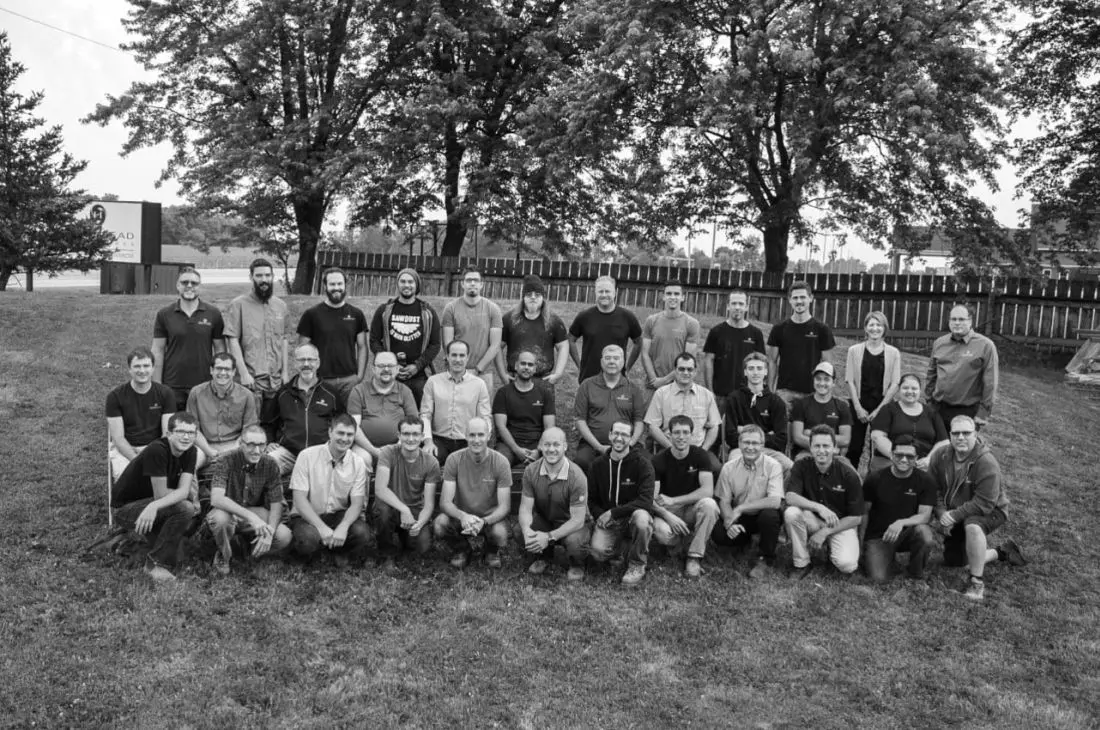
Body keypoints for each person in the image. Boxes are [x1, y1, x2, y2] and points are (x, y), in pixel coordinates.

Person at [928, 415, 1025, 601]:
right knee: (956, 561)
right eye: (956, 433)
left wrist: (953, 516)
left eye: (966, 433)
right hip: (955, 511)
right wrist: (942, 514)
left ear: (975, 434)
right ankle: (1002, 552)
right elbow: (933, 489)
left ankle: (976, 583)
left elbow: (984, 503)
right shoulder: (940, 456)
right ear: (950, 435)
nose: (961, 437)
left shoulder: (986, 462)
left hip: (990, 511)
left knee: (973, 526)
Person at [110, 411, 199, 582]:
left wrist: (154, 506)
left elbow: (184, 490)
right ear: (169, 434)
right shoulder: (157, 450)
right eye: (180, 432)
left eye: (191, 433)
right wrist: (154, 505)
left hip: (152, 505)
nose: (186, 437)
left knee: (180, 554)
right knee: (185, 508)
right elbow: (161, 495)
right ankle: (154, 564)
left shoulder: (191, 451)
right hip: (127, 508)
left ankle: (129, 541)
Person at [205, 424, 292, 575]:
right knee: (220, 519)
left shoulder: (270, 464)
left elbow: (276, 502)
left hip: (255, 513)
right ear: (241, 443)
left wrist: (269, 532)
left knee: (284, 535)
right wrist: (251, 517)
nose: (256, 450)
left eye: (261, 445)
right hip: (228, 512)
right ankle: (223, 555)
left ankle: (250, 554)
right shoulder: (226, 459)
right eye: (251, 445)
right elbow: (216, 499)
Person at [287, 414, 373, 564]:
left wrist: (343, 527)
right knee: (308, 539)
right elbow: (299, 500)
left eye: (350, 435)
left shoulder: (358, 462)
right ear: (330, 432)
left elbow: (357, 503)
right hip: (308, 515)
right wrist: (321, 527)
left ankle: (336, 551)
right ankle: (316, 553)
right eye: (340, 433)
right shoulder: (306, 456)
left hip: (338, 515)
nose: (345, 439)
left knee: (362, 533)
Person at [783, 425, 863, 578]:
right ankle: (802, 563)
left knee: (847, 565)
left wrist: (826, 532)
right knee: (792, 513)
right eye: (816, 446)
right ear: (810, 448)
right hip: (812, 519)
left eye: (826, 446)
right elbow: (790, 497)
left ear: (835, 449)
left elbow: (856, 518)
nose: (821, 450)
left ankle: (832, 553)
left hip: (840, 524)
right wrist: (819, 507)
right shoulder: (801, 465)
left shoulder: (849, 474)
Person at [434, 417, 513, 569]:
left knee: (500, 533)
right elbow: (445, 502)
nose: (476, 440)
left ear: (489, 436)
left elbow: (504, 507)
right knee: (439, 524)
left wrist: (484, 521)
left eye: (481, 435)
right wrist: (463, 516)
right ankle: (462, 550)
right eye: (472, 435)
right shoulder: (454, 459)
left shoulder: (501, 462)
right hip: (461, 516)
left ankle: (490, 551)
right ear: (465, 436)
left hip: (489, 518)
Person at [224, 258, 289, 441]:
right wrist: (243, 373)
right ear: (251, 277)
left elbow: (283, 339)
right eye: (259, 275)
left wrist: (285, 371)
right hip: (251, 382)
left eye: (268, 275)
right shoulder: (238, 305)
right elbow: (232, 340)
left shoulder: (280, 306)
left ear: (272, 277)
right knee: (250, 430)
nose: (264, 279)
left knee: (273, 429)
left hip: (275, 381)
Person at [515, 427, 590, 580]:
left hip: (573, 524)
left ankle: (577, 564)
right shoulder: (531, 471)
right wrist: (527, 531)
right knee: (518, 531)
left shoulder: (576, 476)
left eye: (556, 445)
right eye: (547, 445)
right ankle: (543, 556)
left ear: (565, 447)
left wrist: (548, 537)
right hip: (547, 519)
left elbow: (578, 520)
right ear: (540, 446)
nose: (551, 449)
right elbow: (525, 508)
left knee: (575, 543)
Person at [650, 415, 720, 577]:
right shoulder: (658, 460)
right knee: (661, 531)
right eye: (676, 432)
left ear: (691, 434)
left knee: (709, 505)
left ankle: (694, 557)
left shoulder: (700, 456)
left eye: (685, 432)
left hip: (691, 508)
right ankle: (680, 545)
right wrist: (668, 515)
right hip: (668, 511)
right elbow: (651, 499)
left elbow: (707, 491)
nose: (681, 437)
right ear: (669, 435)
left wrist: (675, 500)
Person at [588, 421, 656, 586]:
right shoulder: (597, 465)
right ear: (610, 435)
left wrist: (614, 513)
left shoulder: (643, 464)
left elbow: (645, 501)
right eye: (616, 433)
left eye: (625, 435)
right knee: (598, 553)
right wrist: (600, 516)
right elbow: (591, 499)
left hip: (632, 516)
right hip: (609, 520)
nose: (619, 438)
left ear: (631, 438)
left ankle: (637, 564)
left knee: (642, 519)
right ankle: (623, 550)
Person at [861, 435, 936, 583]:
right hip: (878, 536)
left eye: (909, 456)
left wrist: (901, 522)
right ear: (891, 455)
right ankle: (883, 557)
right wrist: (860, 542)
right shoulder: (874, 478)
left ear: (916, 458)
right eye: (899, 455)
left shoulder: (926, 480)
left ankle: (915, 573)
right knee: (878, 578)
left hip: (907, 532)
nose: (903, 460)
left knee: (924, 534)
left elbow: (925, 516)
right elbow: (864, 512)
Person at [713, 425, 785, 578]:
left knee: (770, 516)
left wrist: (740, 508)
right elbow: (724, 501)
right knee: (718, 533)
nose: (750, 447)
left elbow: (775, 501)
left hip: (763, 514)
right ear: (739, 445)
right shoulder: (729, 467)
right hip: (742, 518)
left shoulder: (773, 466)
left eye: (755, 443)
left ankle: (765, 558)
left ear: (762, 445)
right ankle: (744, 541)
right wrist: (729, 522)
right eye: (746, 443)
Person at [151, 267, 225, 407]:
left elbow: (220, 349)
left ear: (200, 287)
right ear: (177, 286)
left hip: (204, 384)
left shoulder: (213, 314)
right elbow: (157, 350)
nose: (189, 286)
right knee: (173, 427)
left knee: (202, 427)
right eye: (185, 282)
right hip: (172, 384)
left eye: (194, 283)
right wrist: (157, 385)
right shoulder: (164, 314)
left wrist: (219, 379)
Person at [368, 267, 441, 407]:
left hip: (419, 375)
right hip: (390, 374)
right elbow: (374, 341)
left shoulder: (427, 311)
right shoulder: (384, 310)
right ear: (398, 284)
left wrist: (417, 365)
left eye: (410, 282)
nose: (406, 285)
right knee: (389, 414)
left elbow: (435, 344)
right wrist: (390, 363)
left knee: (419, 416)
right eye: (403, 281)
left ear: (416, 285)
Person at [372, 417, 441, 565]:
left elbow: (429, 504)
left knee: (422, 546)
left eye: (416, 434)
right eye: (406, 434)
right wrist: (404, 509)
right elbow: (380, 489)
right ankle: (386, 553)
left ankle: (406, 544)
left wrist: (420, 523)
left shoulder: (431, 462)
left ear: (422, 437)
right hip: (390, 507)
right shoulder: (387, 452)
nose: (411, 439)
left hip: (415, 509)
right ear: (399, 435)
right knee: (382, 510)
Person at [267, 344, 343, 476]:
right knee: (267, 464)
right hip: (289, 454)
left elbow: (342, 422)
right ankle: (274, 497)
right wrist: (269, 441)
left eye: (310, 360)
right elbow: (268, 422)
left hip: (323, 453)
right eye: (301, 360)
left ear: (318, 362)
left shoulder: (331, 393)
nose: (306, 364)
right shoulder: (283, 393)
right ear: (295, 364)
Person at [296, 266, 369, 403]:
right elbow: (302, 349)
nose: (336, 287)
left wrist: (359, 377)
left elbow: (362, 346)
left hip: (349, 381)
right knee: (321, 420)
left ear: (345, 285)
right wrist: (310, 376)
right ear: (325, 286)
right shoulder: (311, 314)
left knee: (347, 420)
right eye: (332, 284)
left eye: (340, 284)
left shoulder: (356, 314)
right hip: (321, 380)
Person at [572, 345, 647, 473]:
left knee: (646, 461)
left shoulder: (633, 389)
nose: (612, 361)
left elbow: (639, 421)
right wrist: (599, 447)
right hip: (593, 444)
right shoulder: (587, 385)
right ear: (602, 362)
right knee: (581, 462)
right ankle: (588, 492)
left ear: (623, 362)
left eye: (616, 358)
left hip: (627, 443)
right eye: (608, 358)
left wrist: (630, 444)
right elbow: (580, 420)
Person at [925, 304, 999, 433]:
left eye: (961, 319)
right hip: (938, 408)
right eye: (953, 319)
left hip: (967, 411)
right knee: (937, 447)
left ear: (970, 321)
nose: (957, 323)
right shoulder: (939, 343)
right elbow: (931, 374)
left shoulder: (985, 346)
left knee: (961, 449)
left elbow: (990, 382)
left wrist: (983, 412)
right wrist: (929, 401)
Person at [644, 351, 722, 471]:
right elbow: (652, 427)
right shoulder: (661, 393)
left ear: (695, 371)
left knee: (716, 469)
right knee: (652, 469)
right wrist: (671, 448)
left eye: (690, 369)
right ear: (674, 371)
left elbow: (714, 426)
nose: (686, 373)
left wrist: (703, 450)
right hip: (668, 448)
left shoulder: (706, 395)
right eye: (681, 369)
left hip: (698, 448)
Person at [106, 346, 177, 478]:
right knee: (126, 478)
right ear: (129, 369)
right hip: (126, 449)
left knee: (171, 476)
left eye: (146, 366)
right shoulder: (114, 397)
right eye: (137, 366)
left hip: (157, 447)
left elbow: (167, 433)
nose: (142, 370)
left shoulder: (166, 394)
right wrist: (137, 461)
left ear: (153, 368)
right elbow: (118, 438)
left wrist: (152, 454)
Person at [420, 340, 491, 466]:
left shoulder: (479, 384)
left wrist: (481, 442)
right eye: (454, 355)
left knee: (474, 465)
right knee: (428, 460)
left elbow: (485, 418)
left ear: (467, 358)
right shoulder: (433, 382)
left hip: (467, 441)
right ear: (447, 357)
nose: (457, 359)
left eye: (462, 355)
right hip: (439, 440)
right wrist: (428, 442)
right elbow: (425, 414)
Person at [844, 311, 901, 468]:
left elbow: (895, 383)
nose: (875, 328)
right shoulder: (854, 351)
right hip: (859, 405)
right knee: (854, 448)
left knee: (879, 450)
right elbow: (850, 380)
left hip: (882, 405)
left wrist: (879, 410)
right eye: (871, 325)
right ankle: (851, 480)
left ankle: (874, 482)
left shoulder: (894, 353)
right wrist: (857, 408)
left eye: (879, 325)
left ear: (884, 328)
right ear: (865, 328)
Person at [186, 352, 259, 471]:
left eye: (227, 369)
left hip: (235, 445)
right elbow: (193, 429)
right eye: (219, 368)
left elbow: (249, 430)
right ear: (211, 370)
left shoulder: (246, 396)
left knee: (249, 464)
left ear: (234, 372)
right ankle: (191, 490)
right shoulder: (196, 393)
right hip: (204, 445)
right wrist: (209, 451)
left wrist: (234, 450)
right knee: (189, 464)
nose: (223, 373)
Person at [766, 280, 836, 403]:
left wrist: (825, 394)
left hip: (813, 393)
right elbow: (772, 361)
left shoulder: (822, 330)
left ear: (811, 298)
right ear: (790, 300)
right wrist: (771, 391)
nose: (799, 301)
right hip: (784, 393)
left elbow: (827, 365)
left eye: (803, 297)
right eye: (795, 298)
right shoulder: (779, 329)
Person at [346, 351, 418, 468]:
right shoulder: (359, 391)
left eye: (390, 366)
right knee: (361, 459)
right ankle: (364, 487)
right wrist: (374, 451)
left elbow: (414, 425)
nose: (386, 369)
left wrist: (396, 448)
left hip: (399, 446)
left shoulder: (405, 391)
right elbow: (354, 427)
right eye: (381, 366)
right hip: (365, 447)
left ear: (397, 369)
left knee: (407, 458)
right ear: (373, 369)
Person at [496, 274, 569, 385]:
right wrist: (502, 374)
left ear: (542, 297)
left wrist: (558, 374)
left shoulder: (553, 321)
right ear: (523, 297)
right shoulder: (509, 319)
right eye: (529, 294)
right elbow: (497, 346)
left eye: (537, 294)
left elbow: (563, 346)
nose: (533, 297)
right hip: (515, 379)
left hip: (543, 381)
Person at [568, 275, 643, 383]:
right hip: (588, 378)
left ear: (614, 293)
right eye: (600, 291)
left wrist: (628, 367)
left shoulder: (627, 317)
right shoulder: (584, 317)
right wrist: (580, 365)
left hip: (617, 379)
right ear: (595, 293)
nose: (604, 295)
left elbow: (638, 342)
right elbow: (570, 339)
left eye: (607, 291)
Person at [868, 373, 947, 472]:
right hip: (890, 461)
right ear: (899, 390)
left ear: (920, 391)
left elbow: (944, 442)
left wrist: (929, 459)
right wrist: (897, 457)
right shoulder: (888, 410)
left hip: (922, 464)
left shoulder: (931, 413)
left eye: (914, 389)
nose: (910, 391)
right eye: (905, 388)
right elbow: (877, 437)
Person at [442, 266, 503, 389]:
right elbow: (448, 344)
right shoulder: (451, 309)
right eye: (469, 280)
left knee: (482, 408)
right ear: (462, 284)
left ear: (481, 284)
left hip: (483, 373)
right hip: (456, 371)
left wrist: (477, 369)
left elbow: (495, 345)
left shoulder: (493, 309)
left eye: (476, 280)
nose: (472, 283)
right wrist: (460, 369)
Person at [492, 349, 556, 467]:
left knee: (555, 459)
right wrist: (516, 449)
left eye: (530, 365)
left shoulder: (545, 394)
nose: (526, 367)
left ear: (535, 369)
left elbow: (549, 427)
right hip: (509, 444)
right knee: (500, 462)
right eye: (523, 363)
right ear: (516, 366)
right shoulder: (503, 393)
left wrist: (539, 450)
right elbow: (500, 426)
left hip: (537, 443)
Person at [725, 352, 790, 465]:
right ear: (745, 372)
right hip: (740, 450)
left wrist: (743, 430)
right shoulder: (734, 399)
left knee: (790, 467)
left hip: (769, 451)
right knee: (733, 463)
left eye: (759, 368)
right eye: (751, 368)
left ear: (766, 371)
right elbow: (730, 436)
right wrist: (766, 435)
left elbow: (781, 440)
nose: (755, 372)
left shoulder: (776, 402)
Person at [703, 289, 766, 400]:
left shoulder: (756, 333)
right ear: (728, 306)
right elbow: (708, 361)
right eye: (734, 303)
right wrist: (709, 391)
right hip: (720, 395)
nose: (737, 307)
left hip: (747, 395)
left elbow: (761, 364)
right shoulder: (716, 332)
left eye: (741, 304)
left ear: (746, 307)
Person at [641, 280, 700, 394]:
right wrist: (654, 379)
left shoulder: (691, 323)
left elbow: (688, 360)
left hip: (679, 385)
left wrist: (664, 380)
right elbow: (645, 354)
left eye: (677, 294)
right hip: (653, 385)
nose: (672, 297)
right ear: (663, 297)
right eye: (669, 294)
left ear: (683, 297)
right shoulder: (651, 321)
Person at [790, 362, 852, 458]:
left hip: (833, 456)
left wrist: (809, 433)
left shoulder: (842, 406)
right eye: (818, 379)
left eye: (827, 379)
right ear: (813, 381)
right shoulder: (801, 404)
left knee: (850, 471)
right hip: (806, 453)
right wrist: (826, 445)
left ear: (833, 382)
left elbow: (845, 440)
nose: (822, 383)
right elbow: (797, 438)